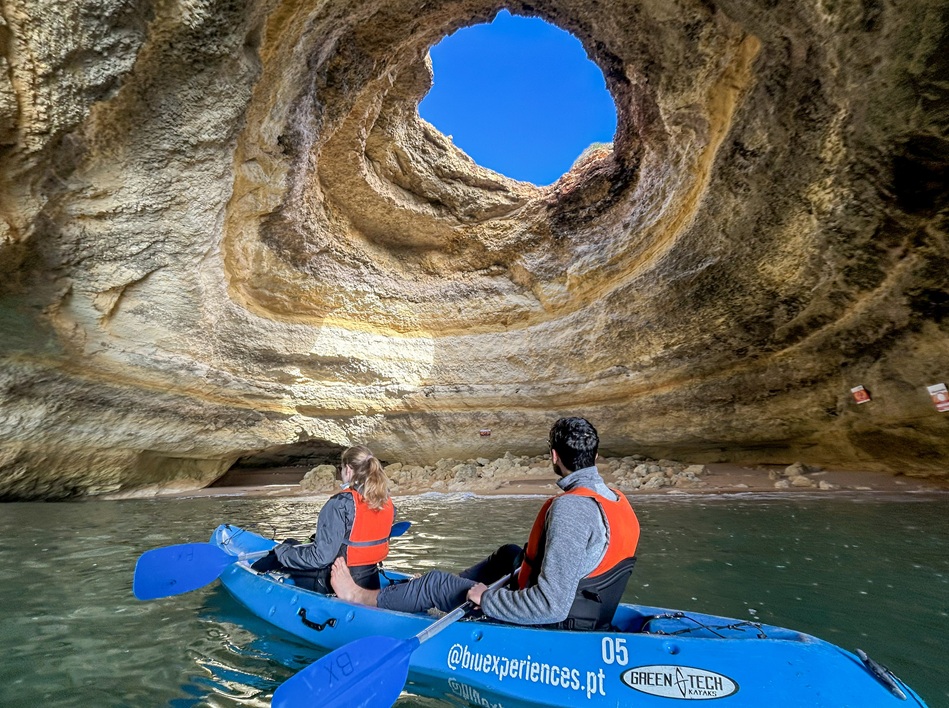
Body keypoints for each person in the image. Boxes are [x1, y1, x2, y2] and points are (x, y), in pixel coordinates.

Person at [332, 417, 640, 630]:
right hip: (589, 608)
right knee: (510, 554)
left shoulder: (572, 508)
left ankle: (359, 596)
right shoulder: (613, 499)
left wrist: (488, 598)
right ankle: (442, 592)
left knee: (436, 583)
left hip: (558, 622)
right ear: (594, 456)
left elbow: (551, 606)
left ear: (554, 456)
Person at [252, 445, 395, 593]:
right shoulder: (385, 501)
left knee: (281, 552)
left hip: (337, 581)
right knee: (292, 544)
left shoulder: (340, 504)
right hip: (371, 579)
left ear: (348, 469)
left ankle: (250, 576)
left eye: (340, 468)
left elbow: (320, 558)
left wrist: (282, 552)